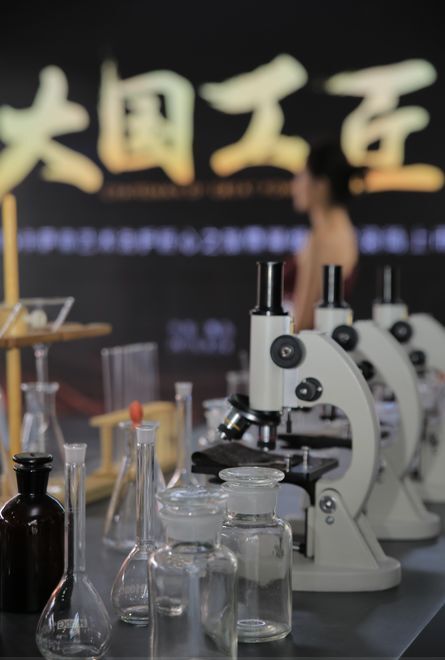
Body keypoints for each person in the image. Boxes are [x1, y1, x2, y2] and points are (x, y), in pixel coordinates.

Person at [285, 141, 364, 329]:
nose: (295, 185)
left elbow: (304, 320)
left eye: (302, 176)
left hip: (309, 344)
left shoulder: (324, 238)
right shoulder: (338, 229)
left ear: (321, 185)